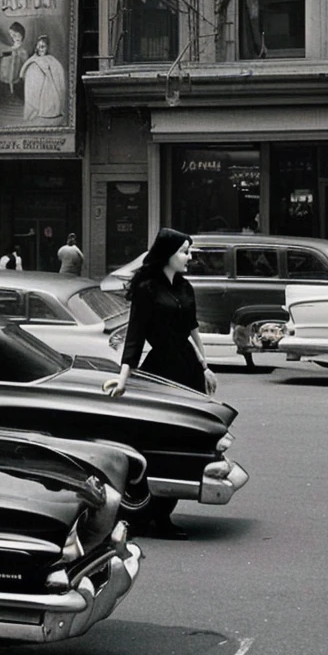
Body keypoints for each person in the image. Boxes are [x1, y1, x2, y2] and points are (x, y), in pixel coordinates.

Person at [103, 229, 217, 539]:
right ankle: (150, 514)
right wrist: (123, 378)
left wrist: (206, 367)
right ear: (168, 254)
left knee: (185, 444)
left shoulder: (185, 287)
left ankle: (164, 516)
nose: (189, 258)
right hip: (162, 374)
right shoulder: (147, 289)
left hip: (189, 373)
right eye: (184, 252)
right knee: (163, 445)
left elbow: (192, 331)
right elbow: (135, 336)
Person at [19, 35, 66, 124]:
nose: (40, 50)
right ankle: (34, 108)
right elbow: (24, 68)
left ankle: (49, 107)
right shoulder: (34, 59)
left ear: (47, 47)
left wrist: (48, 74)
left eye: (43, 47)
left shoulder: (51, 60)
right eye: (38, 47)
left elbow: (57, 74)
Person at [0, 21, 26, 102]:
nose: (13, 37)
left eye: (15, 35)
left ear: (21, 34)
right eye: (11, 35)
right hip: (3, 80)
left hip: (15, 82)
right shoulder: (8, 48)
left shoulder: (22, 51)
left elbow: (23, 68)